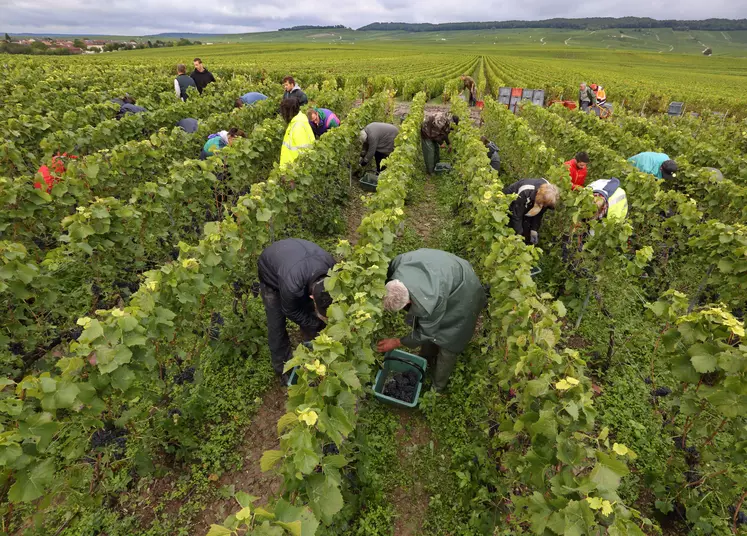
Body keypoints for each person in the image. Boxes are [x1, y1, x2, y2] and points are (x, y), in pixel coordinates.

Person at [377, 249, 486, 392]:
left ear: (409, 301)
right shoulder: (397, 264)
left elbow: (426, 332)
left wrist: (397, 342)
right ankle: (426, 358)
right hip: (445, 268)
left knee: (451, 340)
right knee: (431, 329)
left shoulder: (429, 301)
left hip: (465, 290)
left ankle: (437, 387)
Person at [257, 239, 335, 384]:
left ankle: (312, 349)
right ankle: (283, 369)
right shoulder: (292, 287)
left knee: (311, 318)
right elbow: (291, 311)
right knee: (277, 324)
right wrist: (317, 324)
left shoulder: (333, 270)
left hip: (297, 259)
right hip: (271, 269)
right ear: (311, 297)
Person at [503, 178, 560, 245]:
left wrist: (534, 229)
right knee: (511, 228)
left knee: (527, 230)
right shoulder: (525, 192)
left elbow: (539, 213)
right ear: (538, 196)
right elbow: (516, 216)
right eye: (542, 204)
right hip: (511, 203)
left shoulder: (549, 195)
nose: (543, 206)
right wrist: (519, 236)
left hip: (529, 203)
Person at [279, 98, 315, 169]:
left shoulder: (298, 127)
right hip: (290, 170)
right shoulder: (295, 121)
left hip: (294, 171)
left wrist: (295, 173)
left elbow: (303, 153)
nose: (283, 115)